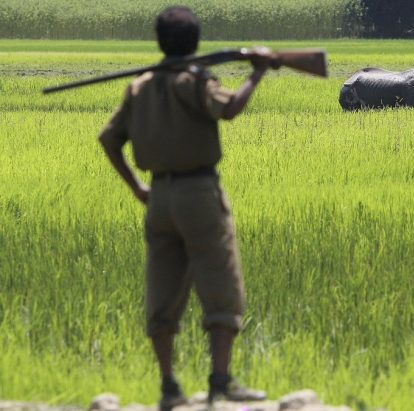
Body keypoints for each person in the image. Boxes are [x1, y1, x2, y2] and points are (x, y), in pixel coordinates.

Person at [98, 6, 269, 410]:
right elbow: (228, 108)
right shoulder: (194, 81)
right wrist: (257, 74)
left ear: (160, 42)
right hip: (198, 193)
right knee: (220, 281)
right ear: (195, 42)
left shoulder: (139, 86)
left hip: (159, 198)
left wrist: (138, 188)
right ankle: (221, 382)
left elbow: (108, 139)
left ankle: (168, 386)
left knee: (162, 286)